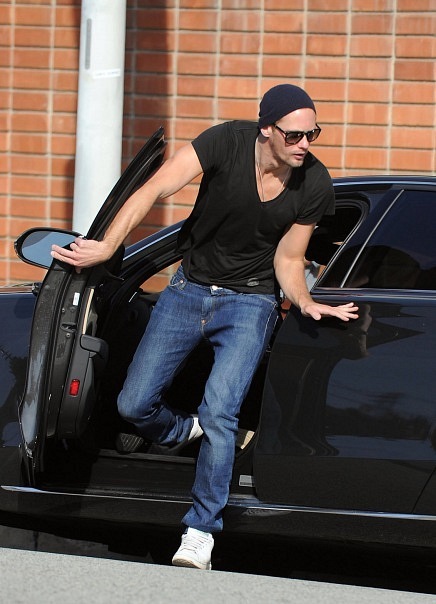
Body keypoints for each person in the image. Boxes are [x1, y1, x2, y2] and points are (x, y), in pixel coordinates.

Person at [51, 83, 358, 571]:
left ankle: (200, 531)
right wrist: (108, 247)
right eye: (295, 135)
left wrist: (305, 300)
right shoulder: (225, 142)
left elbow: (289, 257)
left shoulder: (314, 183)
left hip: (250, 302)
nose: (305, 145)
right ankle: (183, 429)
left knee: (221, 413)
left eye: (312, 134)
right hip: (187, 290)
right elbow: (156, 187)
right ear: (267, 129)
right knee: (133, 404)